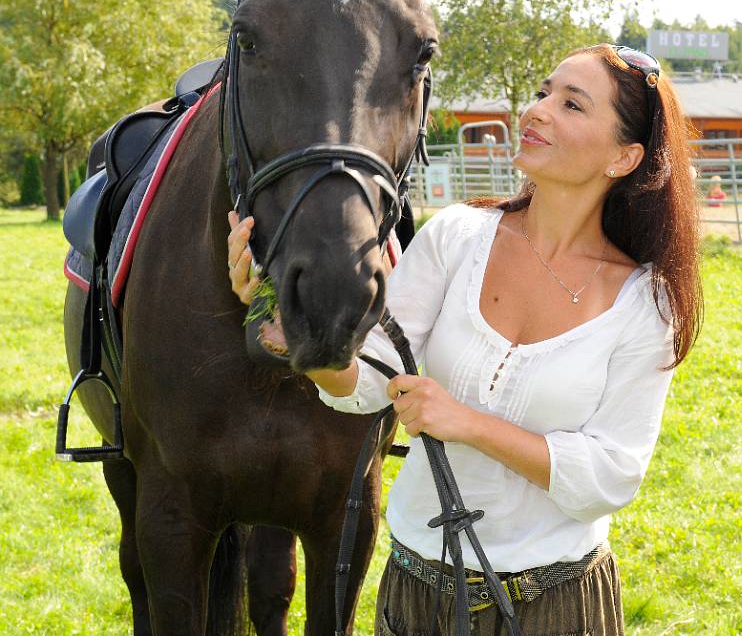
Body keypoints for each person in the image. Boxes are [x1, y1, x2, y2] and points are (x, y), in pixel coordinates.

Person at [227, 44, 703, 635]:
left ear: (624, 157)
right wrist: (291, 327)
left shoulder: (644, 303)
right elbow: (367, 381)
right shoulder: (457, 236)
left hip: (552, 604)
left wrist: (467, 422)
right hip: (417, 592)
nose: (538, 112)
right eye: (542, 93)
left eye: (572, 104)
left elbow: (608, 477)